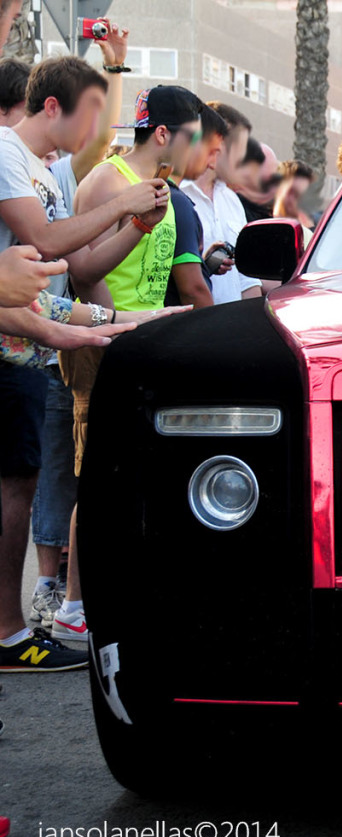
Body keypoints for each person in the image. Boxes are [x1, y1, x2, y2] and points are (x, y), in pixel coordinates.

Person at [0, 56, 169, 671]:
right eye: (92, 113)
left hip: (30, 342)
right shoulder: (6, 152)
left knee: (20, 488)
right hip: (12, 345)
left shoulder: (48, 171)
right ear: (52, 108)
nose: (100, 129)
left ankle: (12, 633)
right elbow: (45, 243)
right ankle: (12, 633)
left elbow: (75, 268)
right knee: (19, 493)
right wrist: (123, 199)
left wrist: (134, 227)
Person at [181, 101, 260, 303]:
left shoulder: (231, 200)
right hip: (194, 326)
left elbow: (247, 279)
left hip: (233, 326)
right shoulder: (177, 195)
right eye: (240, 149)